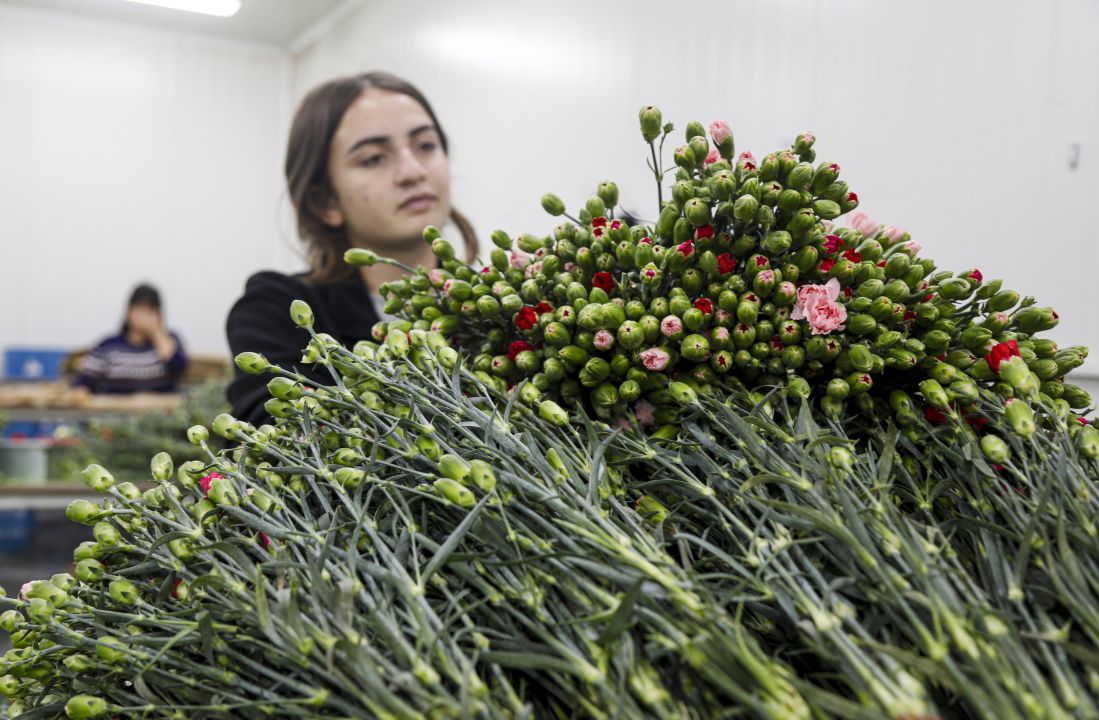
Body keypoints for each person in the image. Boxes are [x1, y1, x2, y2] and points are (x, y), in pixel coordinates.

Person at [226, 72, 478, 426]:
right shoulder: (280, 310)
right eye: (374, 158)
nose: (411, 171)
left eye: (425, 145)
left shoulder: (493, 304)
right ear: (324, 201)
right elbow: (274, 444)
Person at [74, 283, 188, 394]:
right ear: (128, 311)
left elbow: (179, 367)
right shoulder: (108, 345)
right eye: (139, 308)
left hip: (161, 411)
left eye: (149, 310)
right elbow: (85, 382)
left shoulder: (170, 340)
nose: (143, 316)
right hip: (115, 411)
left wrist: (157, 334)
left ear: (158, 314)